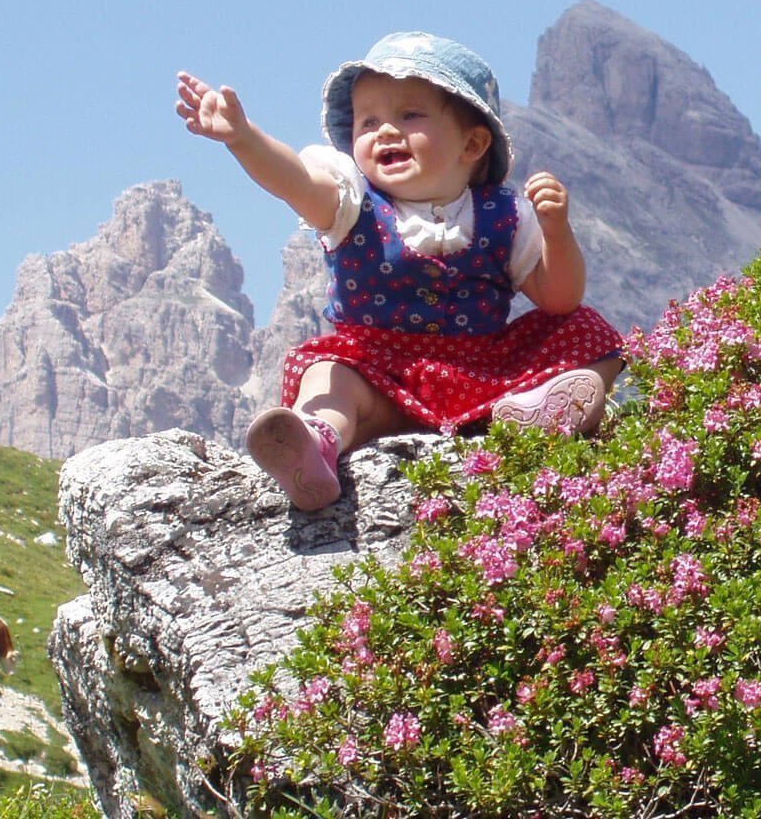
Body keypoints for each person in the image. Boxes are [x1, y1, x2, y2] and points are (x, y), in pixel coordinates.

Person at [175, 31, 623, 510]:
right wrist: (243, 139)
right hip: (380, 374)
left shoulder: (505, 215)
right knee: (328, 373)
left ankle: (534, 412)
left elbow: (559, 298)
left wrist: (557, 233)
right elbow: (295, 181)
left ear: (472, 143)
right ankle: (315, 441)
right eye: (368, 121)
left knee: (587, 329)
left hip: (486, 370)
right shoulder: (349, 203)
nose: (385, 130)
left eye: (409, 115)